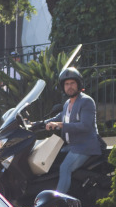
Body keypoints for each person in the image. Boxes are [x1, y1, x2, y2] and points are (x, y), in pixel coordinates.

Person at [43, 65, 101, 195]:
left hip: (85, 146)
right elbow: (57, 118)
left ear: (78, 84)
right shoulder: (67, 104)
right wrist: (37, 123)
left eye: (72, 83)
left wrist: (60, 125)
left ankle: (57, 202)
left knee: (65, 168)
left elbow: (85, 126)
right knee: (51, 159)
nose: (70, 86)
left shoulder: (86, 101)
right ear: (63, 87)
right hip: (72, 146)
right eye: (67, 84)